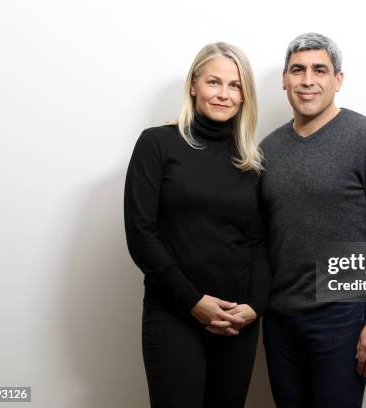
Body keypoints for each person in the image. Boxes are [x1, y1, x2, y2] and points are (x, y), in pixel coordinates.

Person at [260, 33, 366, 407]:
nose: (308, 80)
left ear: (337, 80)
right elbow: (261, 236)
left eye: (319, 70)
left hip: (342, 316)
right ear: (284, 79)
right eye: (297, 70)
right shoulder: (267, 150)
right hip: (279, 317)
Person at [124, 42, 271, 408]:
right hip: (174, 312)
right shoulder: (157, 144)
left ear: (244, 95)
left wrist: (255, 306)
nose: (224, 94)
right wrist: (193, 301)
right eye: (213, 82)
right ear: (193, 85)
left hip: (238, 320)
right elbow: (141, 234)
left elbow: (259, 243)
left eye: (235, 86)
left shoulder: (250, 161)